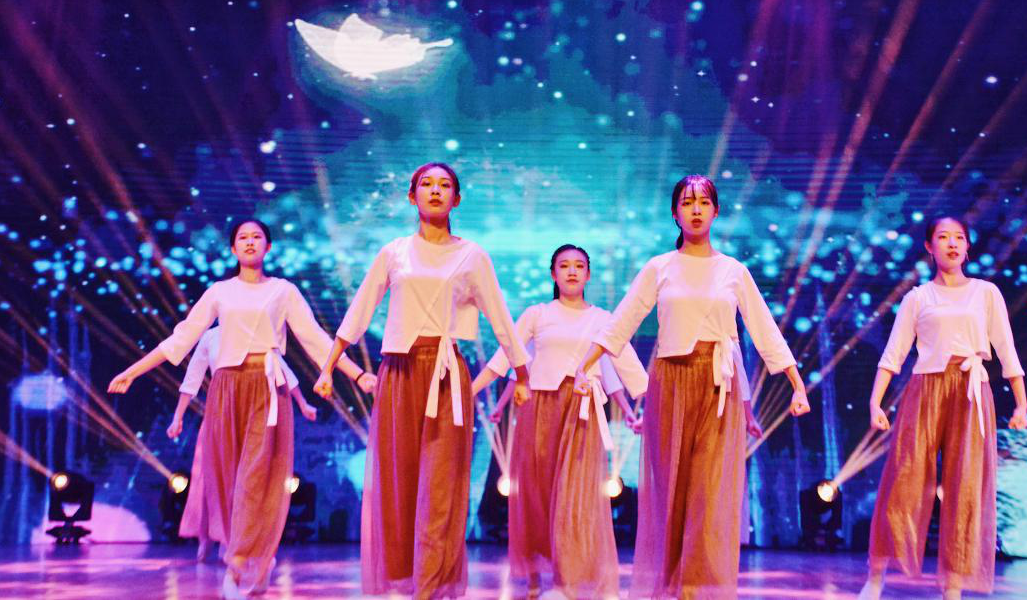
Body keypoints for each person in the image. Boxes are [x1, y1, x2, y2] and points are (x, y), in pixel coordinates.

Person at [108, 218, 371, 600]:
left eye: (257, 237)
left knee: (256, 480)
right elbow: (180, 339)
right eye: (242, 238)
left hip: (267, 389)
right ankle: (253, 559)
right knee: (229, 483)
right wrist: (132, 372)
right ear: (233, 249)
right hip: (226, 390)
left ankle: (240, 562)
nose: (250, 242)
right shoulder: (219, 292)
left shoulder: (283, 291)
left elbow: (315, 339)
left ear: (268, 247)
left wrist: (357, 374)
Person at [576, 174, 810, 598]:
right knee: (672, 489)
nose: (696, 209)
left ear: (716, 211)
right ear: (675, 213)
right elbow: (623, 321)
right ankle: (671, 583)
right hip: (671, 381)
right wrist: (585, 366)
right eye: (687, 202)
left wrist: (796, 384)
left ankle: (696, 587)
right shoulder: (660, 267)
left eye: (703, 202)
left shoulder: (733, 271)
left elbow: (764, 328)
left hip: (719, 387)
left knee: (710, 490)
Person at [313, 162, 532, 598]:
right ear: (412, 197)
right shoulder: (395, 252)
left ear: (457, 199)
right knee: (400, 481)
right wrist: (328, 366)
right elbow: (360, 310)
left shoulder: (472, 256)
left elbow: (501, 319)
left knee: (442, 484)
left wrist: (522, 373)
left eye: (444, 185)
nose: (435, 190)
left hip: (447, 377)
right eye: (426, 185)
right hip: (398, 374)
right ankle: (405, 578)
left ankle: (431, 585)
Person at [858, 216, 1027, 600]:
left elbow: (1006, 347)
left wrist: (1021, 402)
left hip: (971, 392)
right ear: (929, 247)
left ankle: (953, 587)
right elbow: (894, 353)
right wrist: (875, 401)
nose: (952, 244)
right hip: (926, 388)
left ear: (967, 247)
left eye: (959, 238)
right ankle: (876, 574)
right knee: (903, 480)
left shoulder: (985, 293)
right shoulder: (918, 297)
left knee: (966, 487)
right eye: (943, 237)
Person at [471, 244, 647, 598]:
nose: (572, 271)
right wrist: (470, 389)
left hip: (582, 412)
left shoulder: (602, 318)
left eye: (579, 266)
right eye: (564, 266)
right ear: (553, 273)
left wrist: (648, 399)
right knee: (538, 494)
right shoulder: (538, 314)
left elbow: (623, 362)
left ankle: (570, 581)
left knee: (576, 496)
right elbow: (507, 355)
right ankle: (538, 574)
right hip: (541, 409)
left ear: (588, 274)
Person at [167, 324, 320, 562]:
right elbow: (192, 378)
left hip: (251, 415)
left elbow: (282, 370)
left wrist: (302, 403)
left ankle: (238, 541)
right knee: (212, 479)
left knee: (249, 479)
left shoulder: (256, 332)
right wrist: (178, 417)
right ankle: (209, 536)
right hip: (220, 414)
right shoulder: (210, 337)